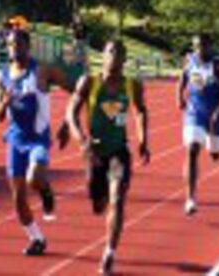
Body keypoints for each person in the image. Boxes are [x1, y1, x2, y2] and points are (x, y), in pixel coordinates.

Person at [65, 38, 150, 275]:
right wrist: (81, 139)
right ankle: (99, 199)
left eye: (119, 53)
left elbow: (141, 111)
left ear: (124, 59)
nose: (114, 57)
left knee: (118, 198)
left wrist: (144, 139)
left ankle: (108, 255)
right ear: (103, 56)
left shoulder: (132, 86)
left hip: (119, 151)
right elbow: (71, 112)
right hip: (94, 153)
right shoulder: (89, 82)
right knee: (98, 201)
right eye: (110, 52)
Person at [0, 29, 71, 256]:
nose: (14, 49)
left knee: (34, 178)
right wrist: (5, 102)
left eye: (18, 44)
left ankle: (45, 190)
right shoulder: (1, 76)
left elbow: (76, 92)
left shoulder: (43, 72)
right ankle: (37, 238)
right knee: (18, 200)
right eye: (10, 45)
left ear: (28, 46)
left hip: (38, 139)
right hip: (15, 141)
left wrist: (67, 124)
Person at [177, 33, 219, 215]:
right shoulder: (189, 60)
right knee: (192, 150)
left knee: (216, 154)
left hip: (214, 115)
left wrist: (218, 113)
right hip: (195, 113)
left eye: (203, 46)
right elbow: (183, 79)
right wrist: (179, 96)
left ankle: (214, 147)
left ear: (210, 46)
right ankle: (190, 199)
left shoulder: (218, 66)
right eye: (196, 46)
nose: (199, 50)